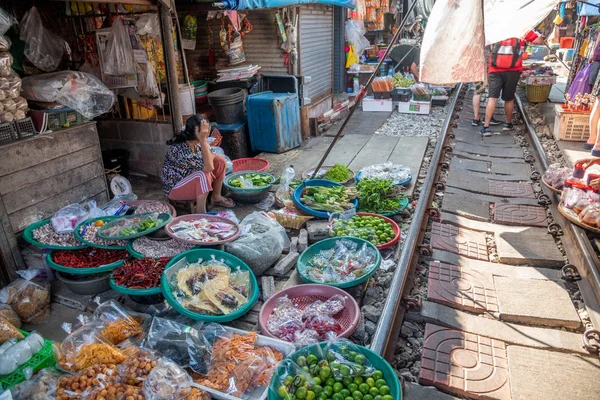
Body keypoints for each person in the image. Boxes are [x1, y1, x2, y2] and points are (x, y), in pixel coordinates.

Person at [161, 115, 235, 213]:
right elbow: (208, 167)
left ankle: (216, 197)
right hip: (175, 188)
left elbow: (211, 156)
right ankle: (201, 212)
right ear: (195, 133)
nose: (207, 133)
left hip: (190, 177)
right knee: (203, 175)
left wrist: (204, 143)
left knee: (220, 160)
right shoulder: (178, 150)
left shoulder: (197, 143)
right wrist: (203, 140)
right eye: (204, 131)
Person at [480, 37, 525, 137]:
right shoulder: (522, 29)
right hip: (513, 70)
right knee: (509, 99)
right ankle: (507, 124)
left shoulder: (495, 28)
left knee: (492, 98)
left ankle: (486, 127)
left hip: (495, 70)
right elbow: (538, 40)